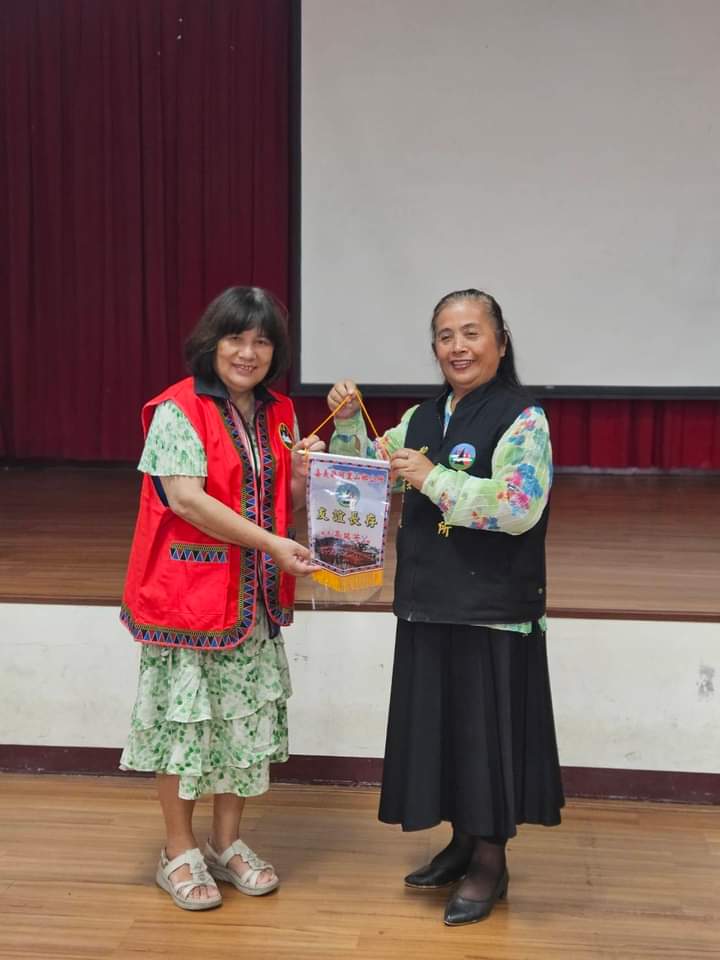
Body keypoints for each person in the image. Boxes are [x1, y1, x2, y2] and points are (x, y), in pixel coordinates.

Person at [327, 288, 564, 926]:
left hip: (494, 608)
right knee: (445, 733)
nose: (457, 347)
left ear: (500, 341)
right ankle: (460, 845)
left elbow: (519, 508)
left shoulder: (523, 418)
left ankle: (491, 862)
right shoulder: (419, 417)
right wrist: (349, 424)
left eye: (471, 333)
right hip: (429, 602)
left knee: (487, 738)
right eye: (444, 336)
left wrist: (432, 478)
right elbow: (363, 473)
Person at [120, 286, 324, 911]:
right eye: (237, 337)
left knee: (240, 727)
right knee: (185, 729)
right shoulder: (177, 410)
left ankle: (227, 843)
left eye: (263, 340)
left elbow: (277, 498)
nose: (248, 351)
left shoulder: (281, 412)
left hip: (250, 601)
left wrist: (301, 479)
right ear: (211, 341)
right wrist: (271, 542)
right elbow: (187, 499)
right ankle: (178, 850)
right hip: (188, 599)